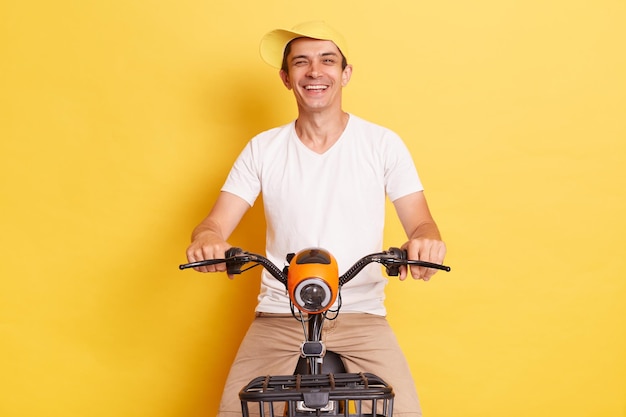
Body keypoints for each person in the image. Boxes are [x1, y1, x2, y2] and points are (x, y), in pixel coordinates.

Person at [186, 21, 447, 417]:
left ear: (345, 73)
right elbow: (213, 224)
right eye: (301, 62)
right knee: (233, 411)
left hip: (362, 314)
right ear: (286, 78)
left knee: (404, 411)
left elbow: (423, 224)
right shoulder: (263, 149)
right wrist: (208, 239)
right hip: (279, 314)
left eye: (328, 60)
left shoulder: (381, 144)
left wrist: (425, 242)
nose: (315, 72)